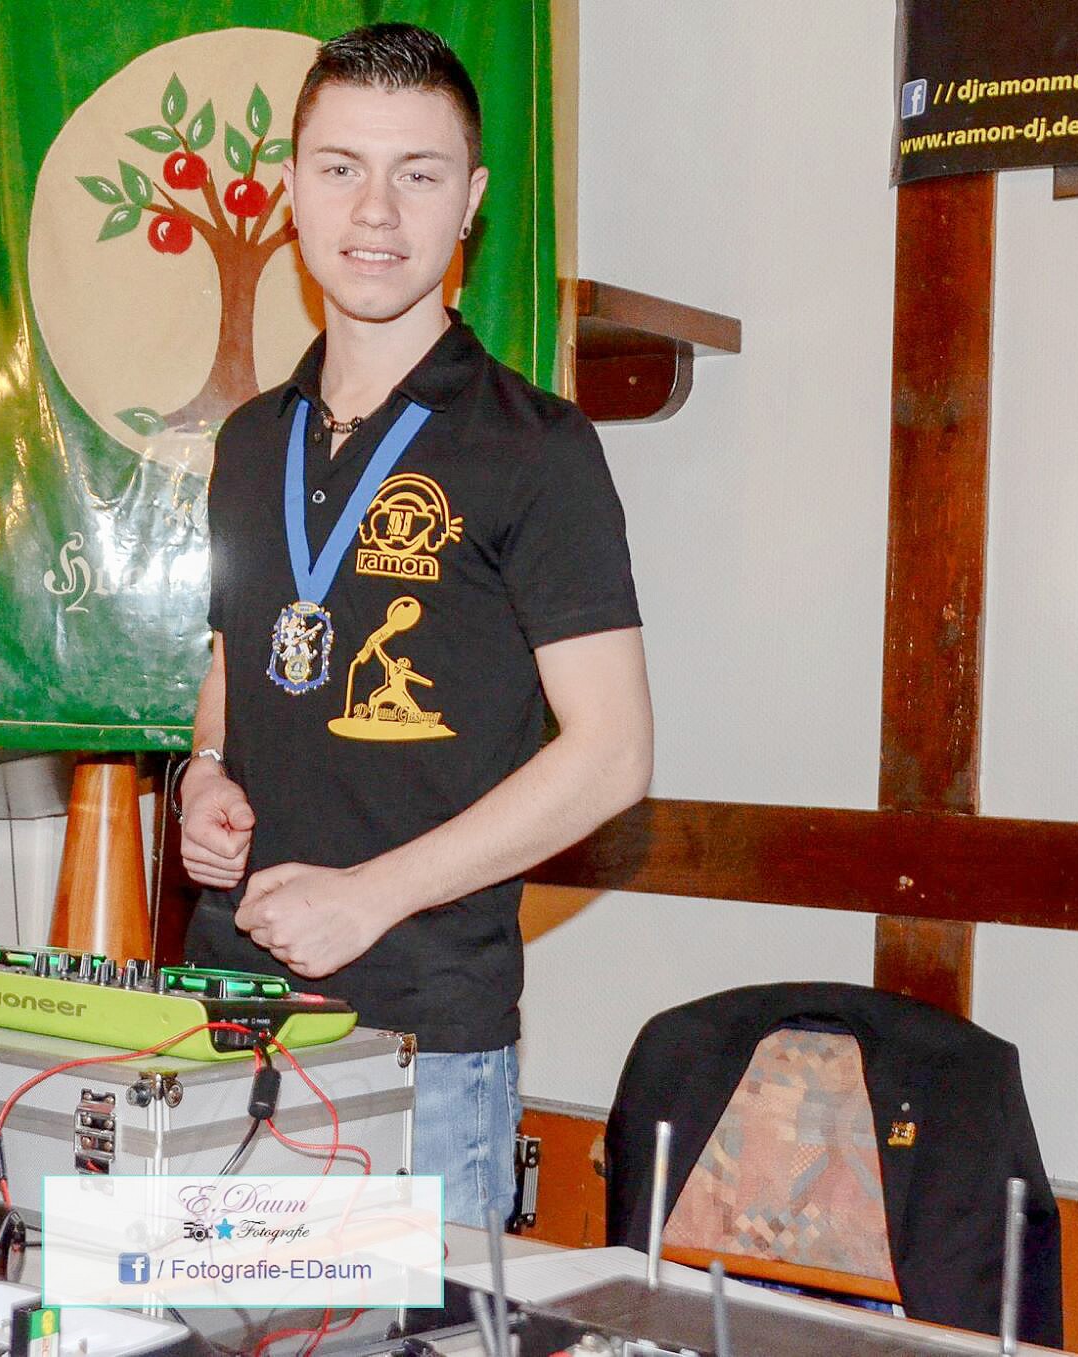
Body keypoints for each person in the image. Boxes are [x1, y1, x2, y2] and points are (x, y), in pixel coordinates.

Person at [179, 22, 654, 1226]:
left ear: (470, 202)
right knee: (195, 1319)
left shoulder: (537, 449)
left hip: (417, 1046)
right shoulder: (249, 442)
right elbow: (237, 655)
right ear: (289, 189)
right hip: (221, 1020)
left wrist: (369, 896)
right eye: (340, 167)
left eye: (418, 173)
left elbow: (610, 755)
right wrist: (203, 770)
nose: (375, 211)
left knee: (415, 1323)